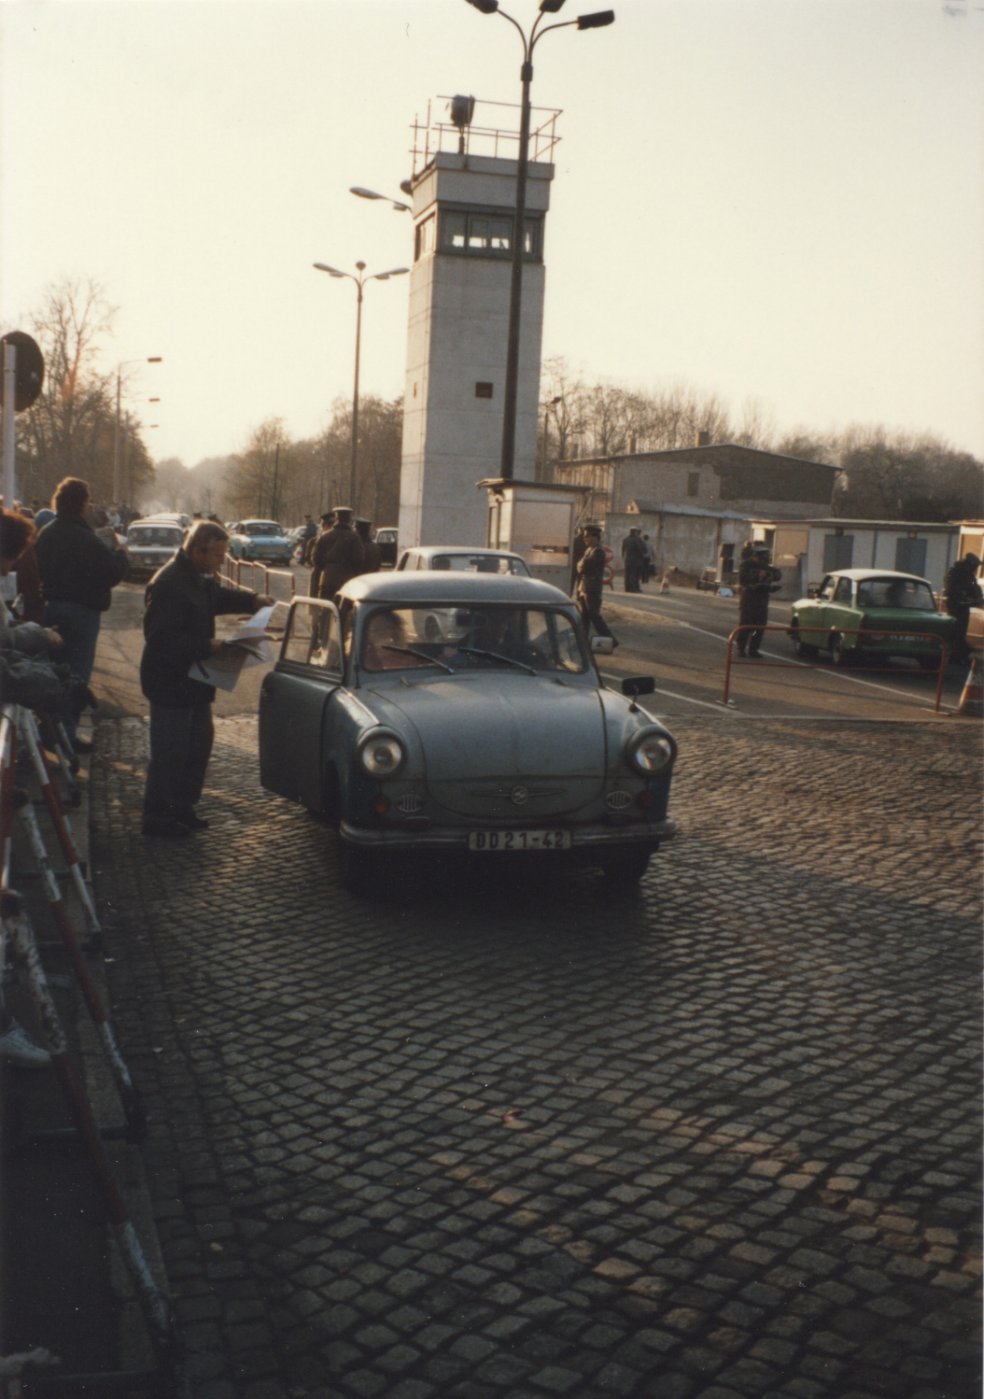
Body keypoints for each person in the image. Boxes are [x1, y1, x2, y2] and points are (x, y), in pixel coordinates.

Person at [140, 520, 274, 838]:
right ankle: (159, 818)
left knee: (198, 746)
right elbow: (160, 639)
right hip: (170, 680)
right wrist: (208, 646)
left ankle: (183, 808)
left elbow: (219, 597)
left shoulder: (199, 576)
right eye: (218, 555)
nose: (223, 561)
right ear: (199, 551)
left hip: (196, 679)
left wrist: (253, 600)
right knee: (171, 752)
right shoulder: (169, 583)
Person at [34, 477, 129, 751]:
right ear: (83, 505)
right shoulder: (86, 538)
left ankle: (49, 731)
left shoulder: (47, 533)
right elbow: (112, 573)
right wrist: (121, 554)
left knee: (53, 673)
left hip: (52, 607)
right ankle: (66, 736)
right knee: (76, 676)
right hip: (82, 613)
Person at [575, 525, 618, 647]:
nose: (584, 539)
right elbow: (579, 566)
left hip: (592, 588)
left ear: (595, 537)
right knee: (584, 616)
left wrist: (581, 565)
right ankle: (582, 641)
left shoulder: (598, 552)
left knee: (594, 615)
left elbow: (582, 566)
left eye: (587, 536)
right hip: (584, 586)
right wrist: (581, 565)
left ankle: (611, 640)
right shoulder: (589, 550)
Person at [736, 542, 781, 658]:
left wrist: (770, 576)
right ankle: (741, 648)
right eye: (763, 556)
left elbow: (777, 573)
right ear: (756, 555)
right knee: (746, 626)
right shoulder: (746, 565)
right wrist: (757, 578)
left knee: (759, 628)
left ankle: (753, 649)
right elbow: (743, 580)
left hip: (761, 601)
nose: (764, 559)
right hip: (749, 601)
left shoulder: (764, 566)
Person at [310, 506, 364, 601]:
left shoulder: (325, 536)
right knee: (344, 611)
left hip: (327, 579)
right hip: (347, 580)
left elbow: (315, 559)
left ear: (336, 518)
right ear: (349, 519)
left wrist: (327, 567)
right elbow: (359, 560)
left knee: (325, 609)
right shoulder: (354, 537)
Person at [943, 553, 983, 666]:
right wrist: (962, 596)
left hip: (964, 606)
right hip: (954, 605)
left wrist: (975, 597)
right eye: (974, 566)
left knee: (961, 632)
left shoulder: (969, 574)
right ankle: (952, 656)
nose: (975, 569)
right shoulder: (955, 573)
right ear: (968, 565)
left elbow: (974, 588)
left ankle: (958, 656)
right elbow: (951, 589)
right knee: (955, 631)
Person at [621, 528, 647, 593]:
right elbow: (643, 550)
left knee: (627, 574)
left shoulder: (625, 539)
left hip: (627, 559)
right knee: (635, 574)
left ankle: (627, 588)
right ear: (635, 533)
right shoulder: (637, 540)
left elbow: (623, 550)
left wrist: (623, 556)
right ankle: (634, 588)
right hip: (636, 560)